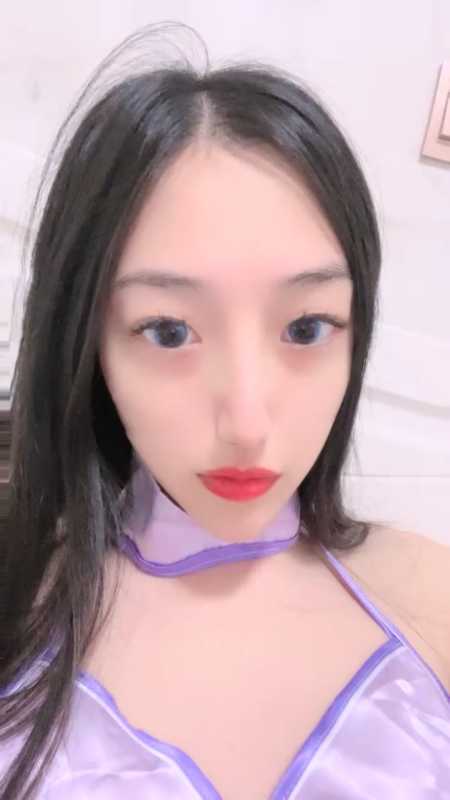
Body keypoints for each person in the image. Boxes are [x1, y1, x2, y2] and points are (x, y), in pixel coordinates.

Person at [1, 22, 449, 800]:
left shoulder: (430, 598)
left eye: (305, 329)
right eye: (169, 332)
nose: (246, 424)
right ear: (89, 339)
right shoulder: (19, 596)